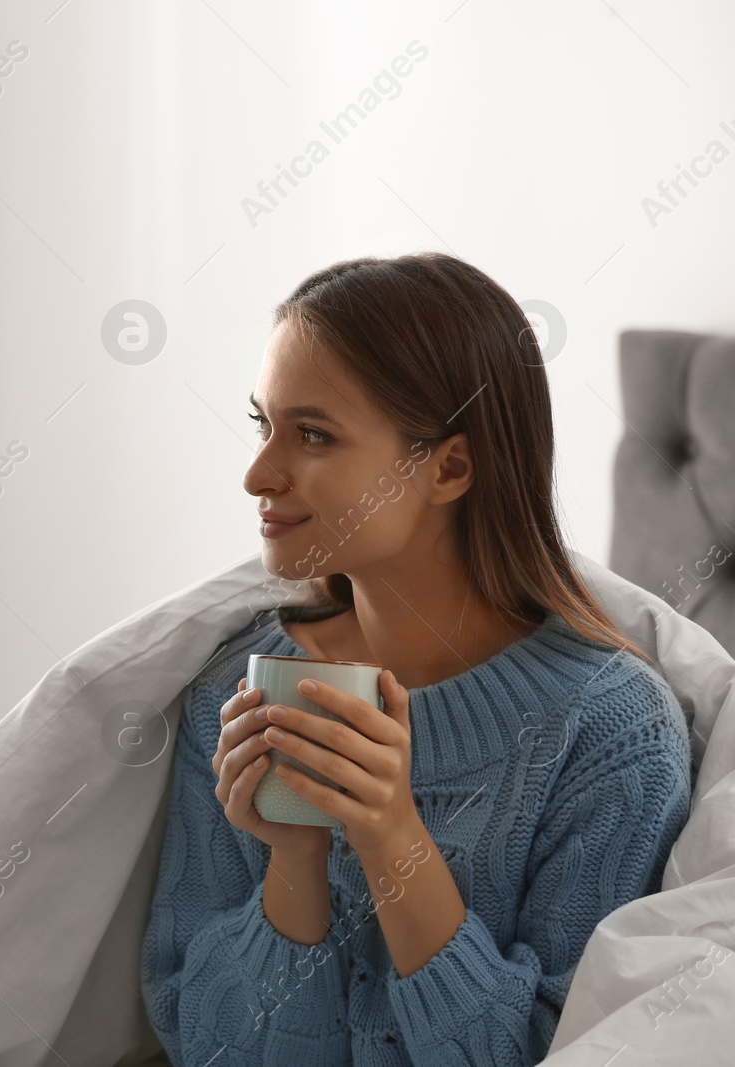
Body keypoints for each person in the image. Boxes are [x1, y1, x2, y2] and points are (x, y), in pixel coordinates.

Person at [139, 253, 693, 1065]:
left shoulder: (611, 734)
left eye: (313, 434)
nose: (258, 473)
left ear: (451, 467)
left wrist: (392, 839)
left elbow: (550, 1052)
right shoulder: (234, 688)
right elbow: (206, 1046)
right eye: (265, 426)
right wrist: (296, 855)